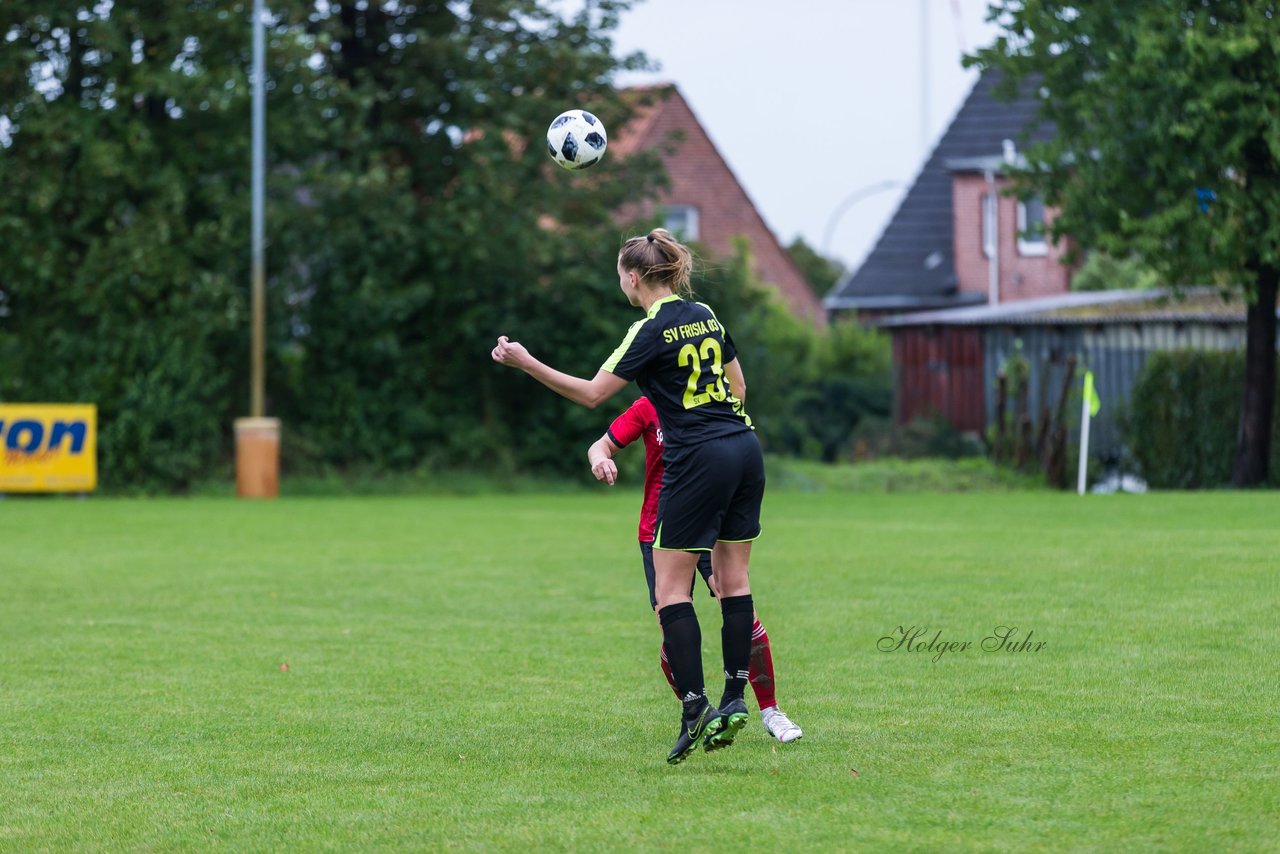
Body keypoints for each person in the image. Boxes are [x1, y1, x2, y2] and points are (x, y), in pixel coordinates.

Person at [491, 228, 768, 764]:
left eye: (621, 276)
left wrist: (526, 362)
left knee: (671, 592)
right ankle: (737, 696)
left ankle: (696, 708)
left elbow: (592, 394)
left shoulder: (648, 329)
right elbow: (739, 388)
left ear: (634, 277)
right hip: (744, 446)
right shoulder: (705, 312)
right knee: (734, 579)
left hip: (701, 459)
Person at [587, 395, 803, 744]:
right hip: (660, 533)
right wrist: (600, 459)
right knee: (670, 630)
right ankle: (702, 714)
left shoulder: (712, 398)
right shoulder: (647, 407)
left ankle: (771, 711)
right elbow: (601, 445)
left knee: (739, 609)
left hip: (710, 525)